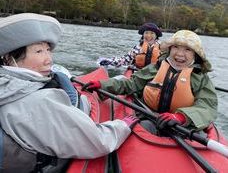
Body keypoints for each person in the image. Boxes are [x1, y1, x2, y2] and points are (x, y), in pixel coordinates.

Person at [0, 13, 138, 172]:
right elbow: (97, 142)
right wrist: (123, 125)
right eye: (38, 51)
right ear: (10, 58)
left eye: (48, 50)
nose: (49, 59)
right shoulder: (41, 101)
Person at [83, 30, 218, 132]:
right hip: (149, 116)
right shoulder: (156, 68)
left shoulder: (200, 78)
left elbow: (207, 107)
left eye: (188, 50)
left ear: (196, 55)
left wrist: (181, 118)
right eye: (176, 47)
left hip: (182, 125)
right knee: (143, 127)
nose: (180, 54)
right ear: (169, 49)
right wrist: (103, 84)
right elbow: (131, 84)